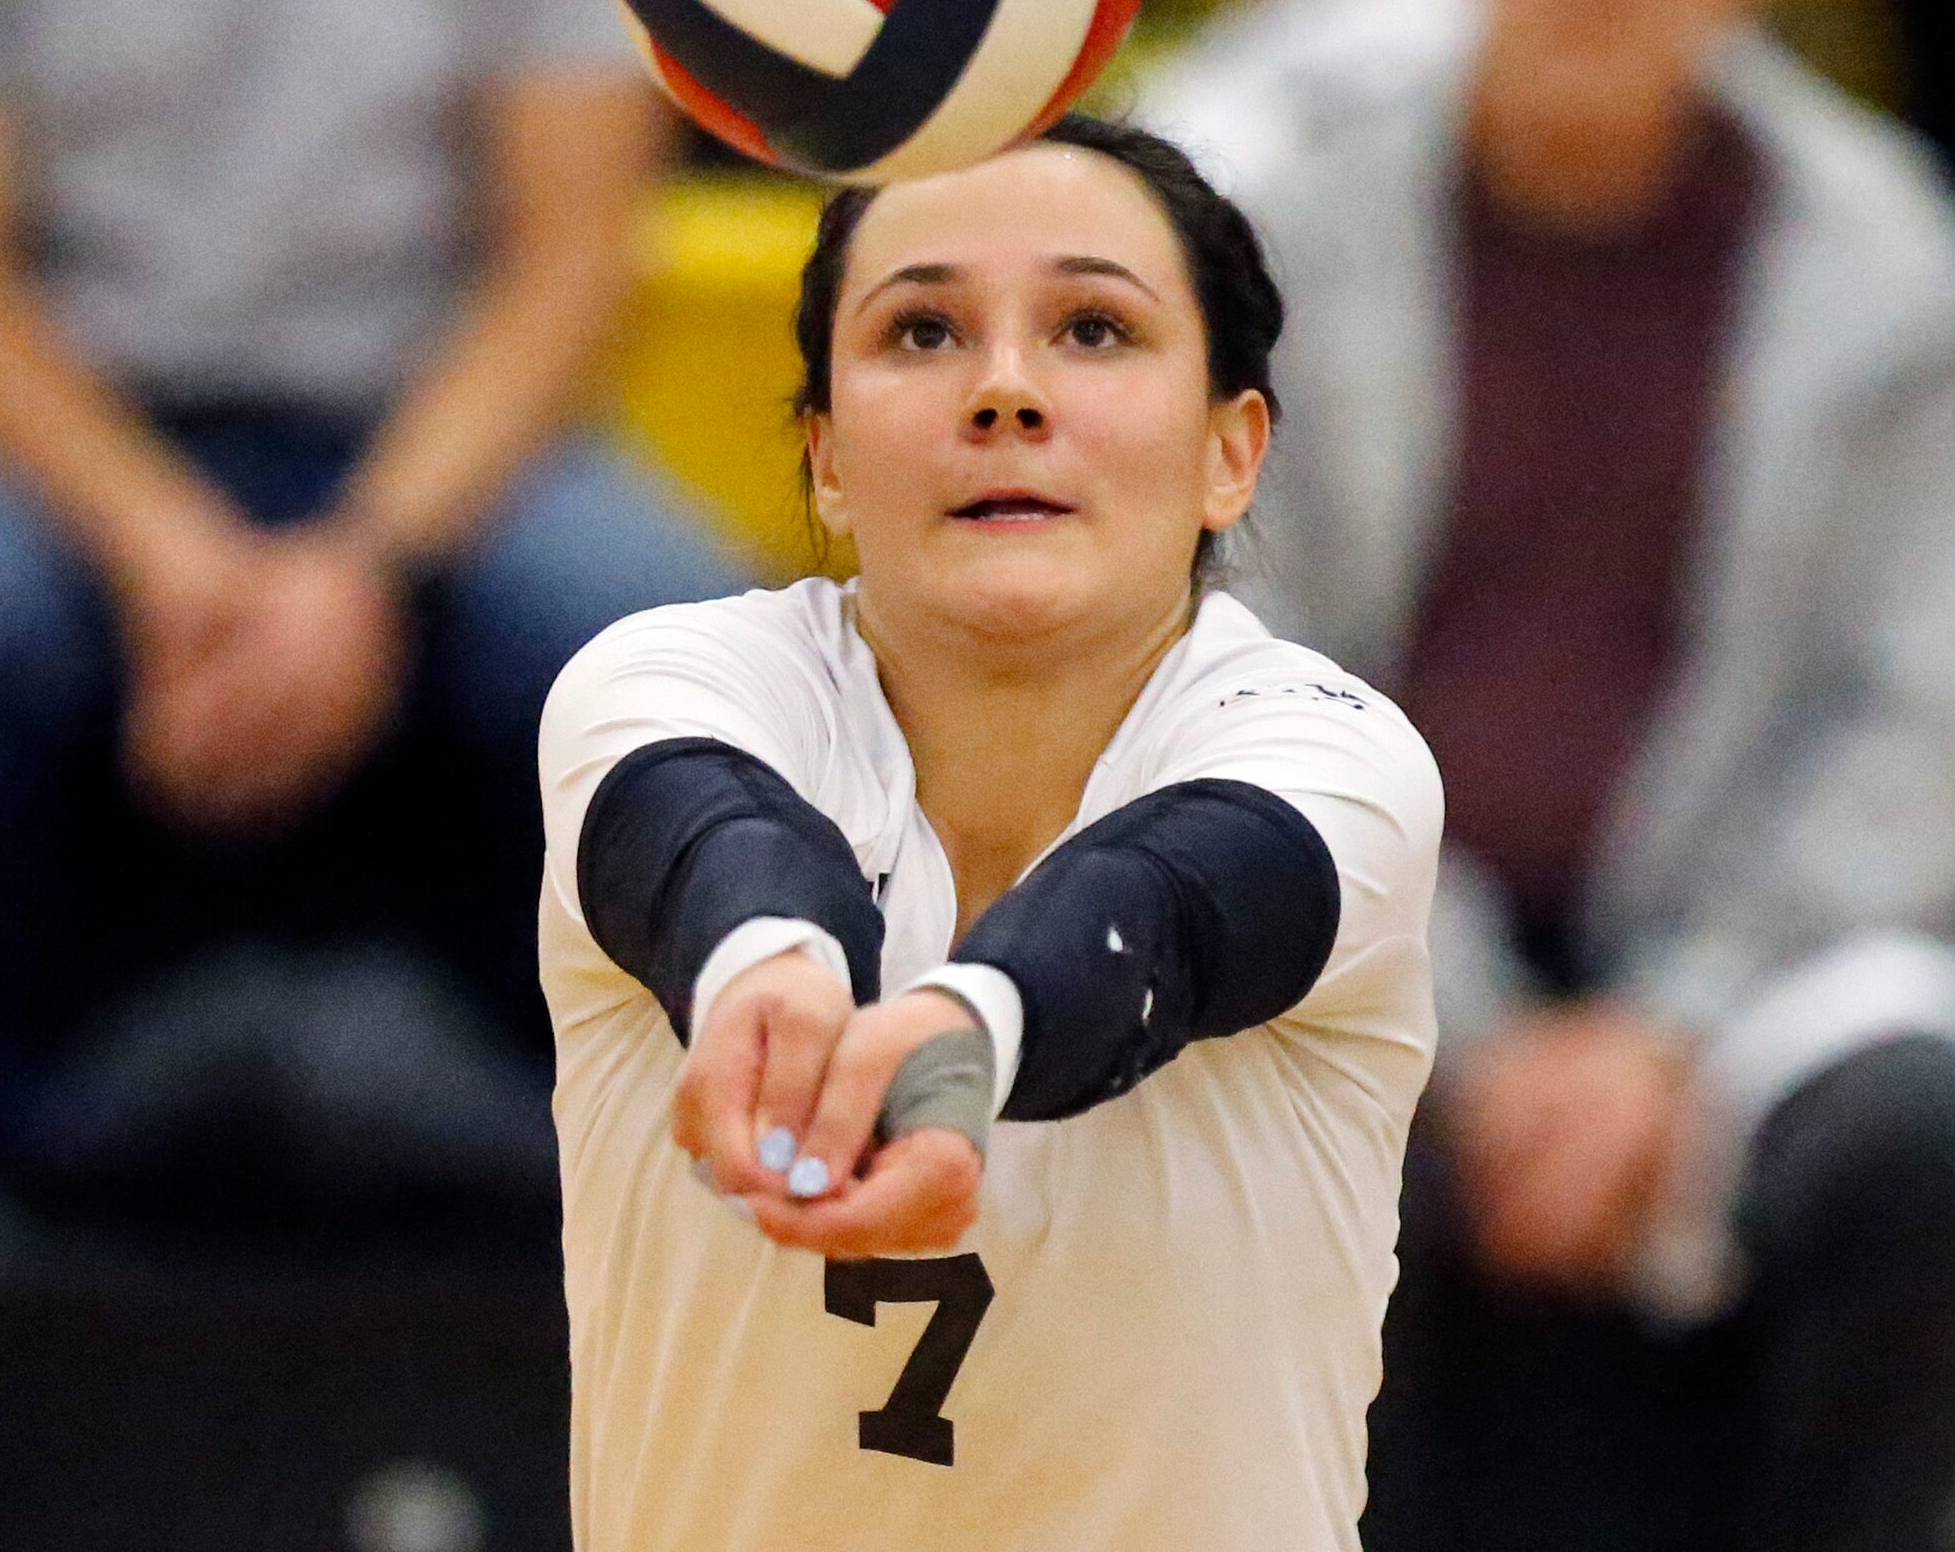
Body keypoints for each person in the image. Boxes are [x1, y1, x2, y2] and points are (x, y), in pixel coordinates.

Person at [1144, 0, 1955, 1549]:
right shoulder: (1276, 210)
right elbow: (1226, 665)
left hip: (1759, 965)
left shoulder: (1887, 256)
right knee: (1235, 1091)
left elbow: (1940, 727)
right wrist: (1489, 1031)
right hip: (1362, 921)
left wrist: (1669, 1030)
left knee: (1930, 1140)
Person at [0, 0, 740, 1198]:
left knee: (665, 660)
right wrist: (169, 551)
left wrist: (366, 562)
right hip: (48, 438)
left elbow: (568, 253)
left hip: (434, 426)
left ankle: (596, 1177)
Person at [538, 114, 1443, 1550]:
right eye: (922, 331)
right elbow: (711, 839)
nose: (1006, 390)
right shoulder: (666, 683)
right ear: (825, 458)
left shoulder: (1327, 751)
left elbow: (1158, 913)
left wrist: (961, 1032)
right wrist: (768, 980)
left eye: (1091, 328)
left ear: (1232, 450)